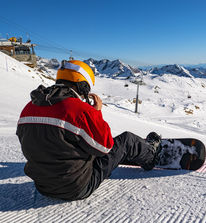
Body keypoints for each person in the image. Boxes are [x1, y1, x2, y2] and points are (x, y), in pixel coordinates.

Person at [16, 60, 162, 200]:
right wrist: (96, 113)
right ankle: (151, 156)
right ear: (83, 86)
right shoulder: (79, 109)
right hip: (76, 188)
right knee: (127, 140)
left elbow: (35, 140)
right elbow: (105, 147)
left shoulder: (29, 107)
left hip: (42, 186)